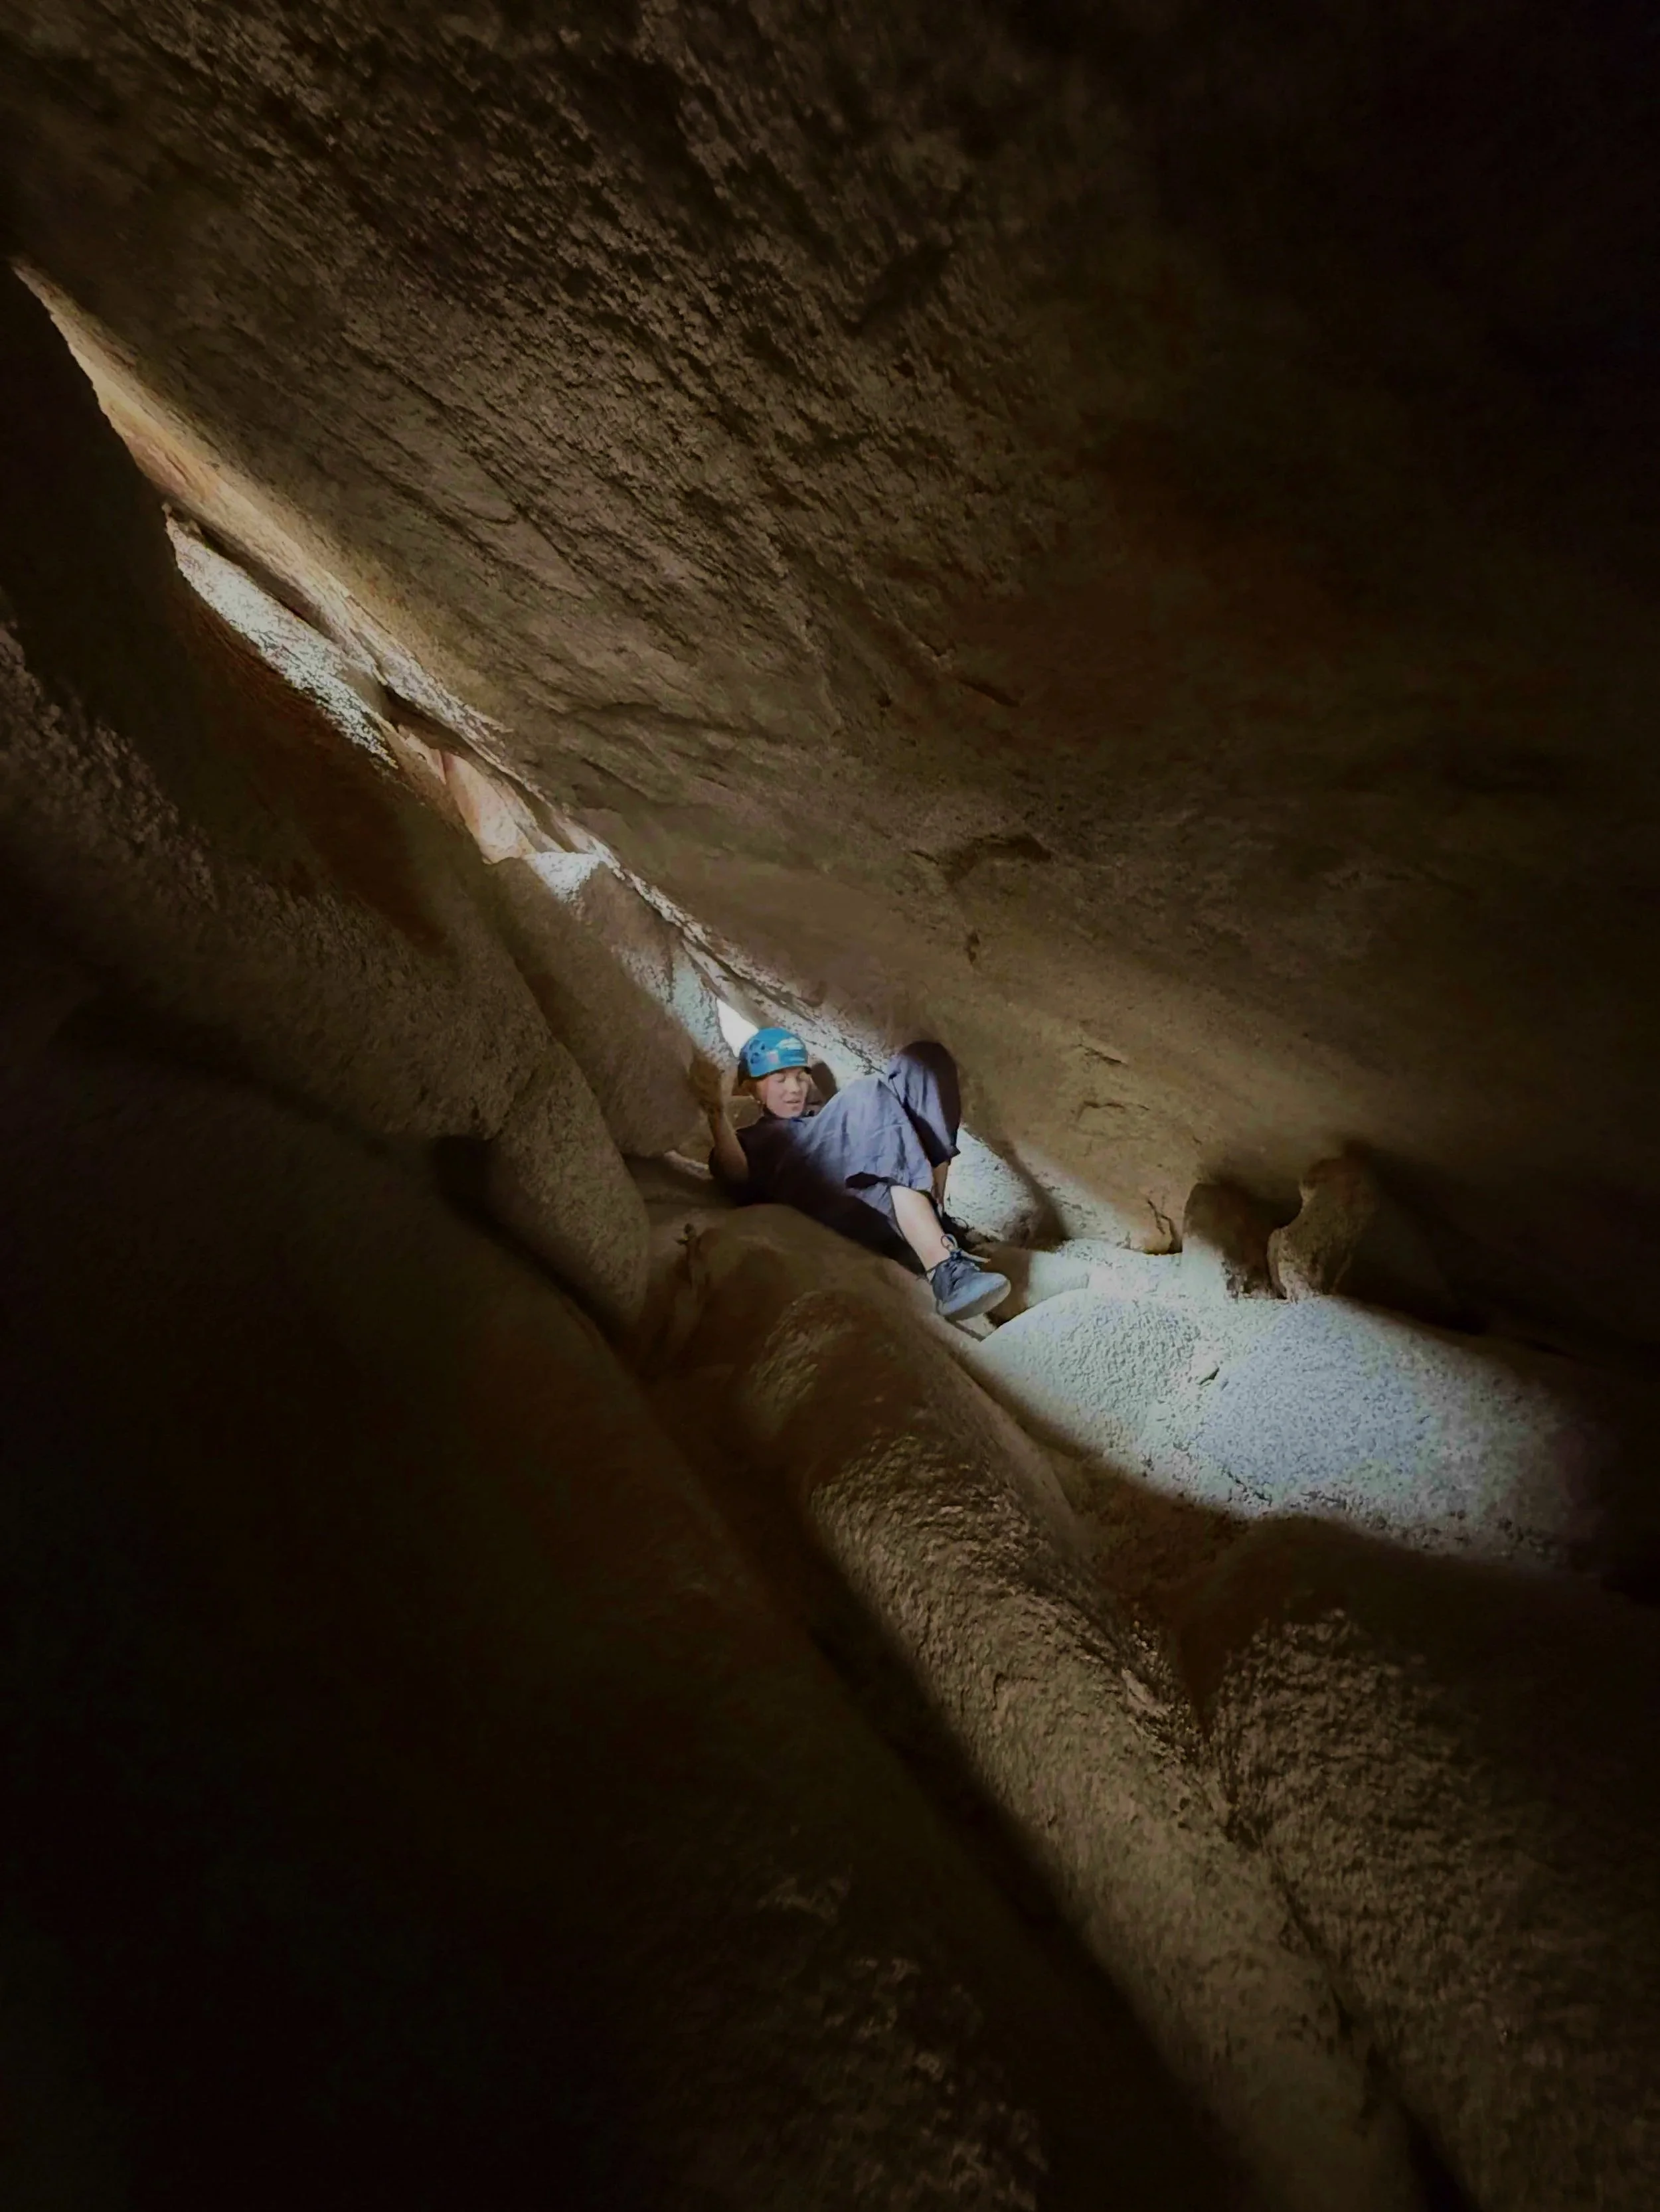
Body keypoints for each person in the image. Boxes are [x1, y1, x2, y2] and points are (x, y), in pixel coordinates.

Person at [693, 1029, 1011, 1324]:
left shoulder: (827, 1117)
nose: (794, 1089)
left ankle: (931, 1220)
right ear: (752, 1088)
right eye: (779, 1078)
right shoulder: (754, 1138)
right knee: (865, 1093)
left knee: (923, 1061)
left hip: (879, 1181)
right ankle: (945, 1269)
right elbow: (736, 1174)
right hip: (827, 1195)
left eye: (801, 1077)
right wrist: (716, 1115)